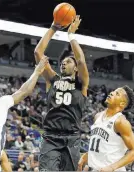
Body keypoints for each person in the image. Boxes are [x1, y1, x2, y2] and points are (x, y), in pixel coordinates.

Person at [34, 15, 89, 171]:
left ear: (76, 68)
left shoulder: (81, 84)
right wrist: (53, 28)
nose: (64, 63)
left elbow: (81, 61)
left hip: (72, 137)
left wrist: (71, 35)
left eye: (68, 61)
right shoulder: (52, 79)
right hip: (51, 137)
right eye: (62, 62)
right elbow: (38, 52)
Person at [78, 86, 134, 171]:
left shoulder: (121, 122)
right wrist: (86, 156)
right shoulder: (98, 116)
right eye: (113, 91)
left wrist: (111, 167)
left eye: (117, 94)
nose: (112, 93)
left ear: (122, 104)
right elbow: (101, 147)